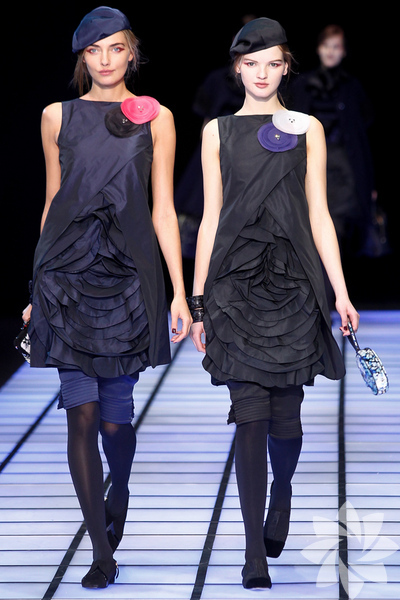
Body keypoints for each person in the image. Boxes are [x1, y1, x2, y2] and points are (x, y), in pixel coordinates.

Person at [22, 6, 191, 589]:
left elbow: (163, 208)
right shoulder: (57, 116)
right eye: (93, 50)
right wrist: (36, 287)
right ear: (82, 58)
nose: (105, 60)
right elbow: (52, 201)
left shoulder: (157, 118)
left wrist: (179, 293)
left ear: (131, 53)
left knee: (116, 424)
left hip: (128, 276)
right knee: (81, 415)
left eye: (115, 48)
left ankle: (120, 489)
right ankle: (100, 552)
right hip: (67, 276)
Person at [189, 17, 359, 590]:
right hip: (234, 285)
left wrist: (341, 291)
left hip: (293, 283)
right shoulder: (216, 132)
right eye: (251, 63)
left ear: (286, 68)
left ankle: (281, 492)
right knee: (249, 418)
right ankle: (252, 554)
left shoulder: (308, 127)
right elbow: (210, 218)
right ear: (237, 69)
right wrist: (198, 299)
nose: (262, 73)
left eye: (273, 63)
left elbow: (319, 214)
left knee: (286, 421)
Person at [290, 25, 376, 267]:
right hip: (307, 164)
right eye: (326, 45)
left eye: (336, 46)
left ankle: (329, 287)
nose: (330, 51)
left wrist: (369, 183)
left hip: (342, 167)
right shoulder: (301, 85)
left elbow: (362, 136)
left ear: (344, 51)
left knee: (336, 227)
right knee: (306, 227)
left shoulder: (352, 87)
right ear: (318, 48)